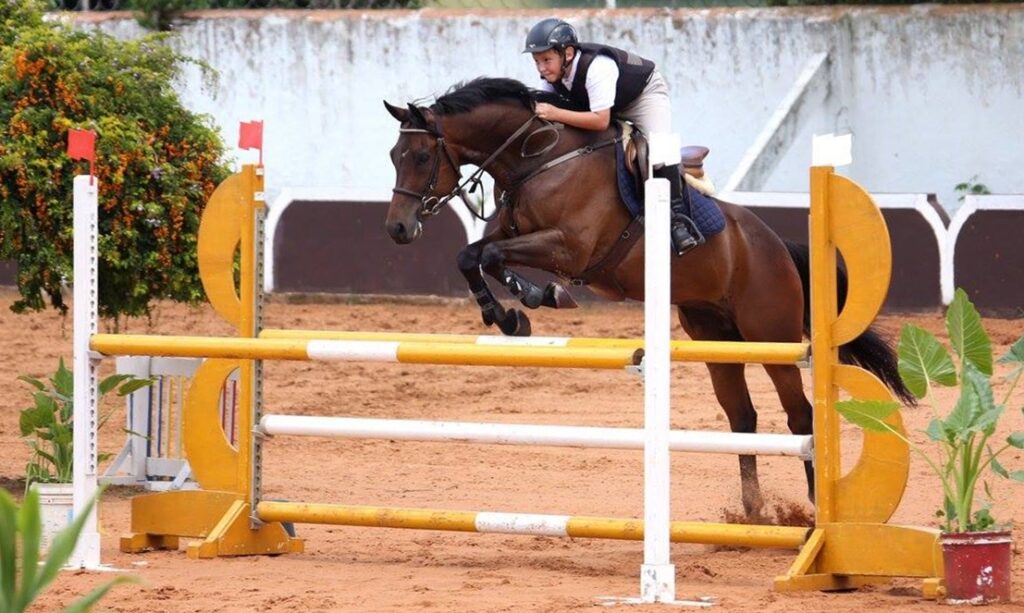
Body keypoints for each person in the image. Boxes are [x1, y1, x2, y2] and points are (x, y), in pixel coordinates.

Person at [523, 17, 704, 257]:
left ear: (567, 53)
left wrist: (556, 112)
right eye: (537, 61)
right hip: (605, 104)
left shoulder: (597, 66)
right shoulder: (552, 77)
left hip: (642, 97)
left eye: (547, 60)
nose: (542, 68)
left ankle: (678, 222)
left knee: (660, 148)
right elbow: (545, 111)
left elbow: (600, 121)